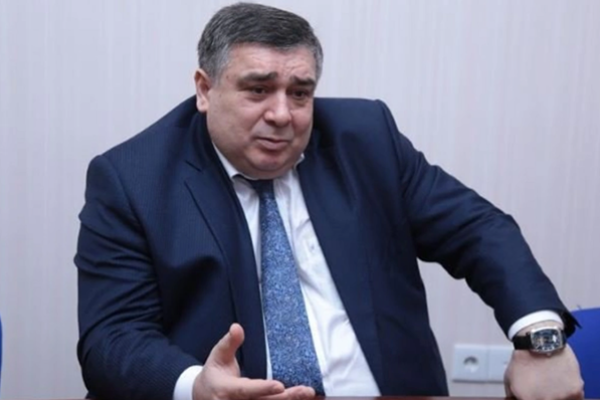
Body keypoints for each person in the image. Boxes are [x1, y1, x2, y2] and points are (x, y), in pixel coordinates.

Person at [75, 3, 584, 400]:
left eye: (300, 93)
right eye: (258, 90)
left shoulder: (365, 138)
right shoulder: (133, 180)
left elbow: (478, 230)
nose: (283, 114)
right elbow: (112, 337)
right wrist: (196, 386)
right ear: (204, 90)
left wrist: (539, 339)